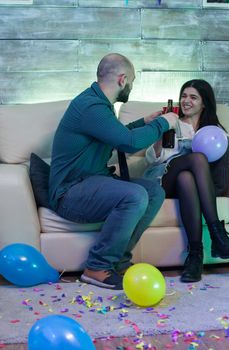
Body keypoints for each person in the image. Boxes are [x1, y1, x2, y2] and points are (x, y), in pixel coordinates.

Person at [48, 53, 179, 290]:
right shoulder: (91, 106)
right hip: (70, 192)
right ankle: (97, 267)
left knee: (153, 192)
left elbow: (115, 137)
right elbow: (128, 143)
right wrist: (164, 123)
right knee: (134, 195)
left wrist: (144, 122)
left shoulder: (99, 105)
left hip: (89, 183)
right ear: (122, 79)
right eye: (132, 81)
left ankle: (117, 261)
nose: (132, 86)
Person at [144, 79, 229, 283]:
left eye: (193, 97)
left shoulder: (212, 129)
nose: (186, 101)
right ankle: (218, 235)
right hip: (164, 178)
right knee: (196, 160)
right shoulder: (172, 121)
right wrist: (159, 135)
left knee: (186, 177)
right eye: (184, 96)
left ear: (204, 103)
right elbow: (152, 158)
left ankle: (195, 255)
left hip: (186, 184)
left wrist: (216, 141)